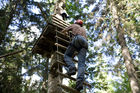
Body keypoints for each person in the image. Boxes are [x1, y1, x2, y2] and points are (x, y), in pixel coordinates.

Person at [62, 20, 88, 91]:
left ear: (76, 22)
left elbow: (64, 30)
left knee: (67, 55)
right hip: (85, 43)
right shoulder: (83, 29)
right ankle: (79, 84)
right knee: (81, 64)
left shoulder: (73, 25)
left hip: (77, 38)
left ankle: (72, 68)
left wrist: (65, 33)